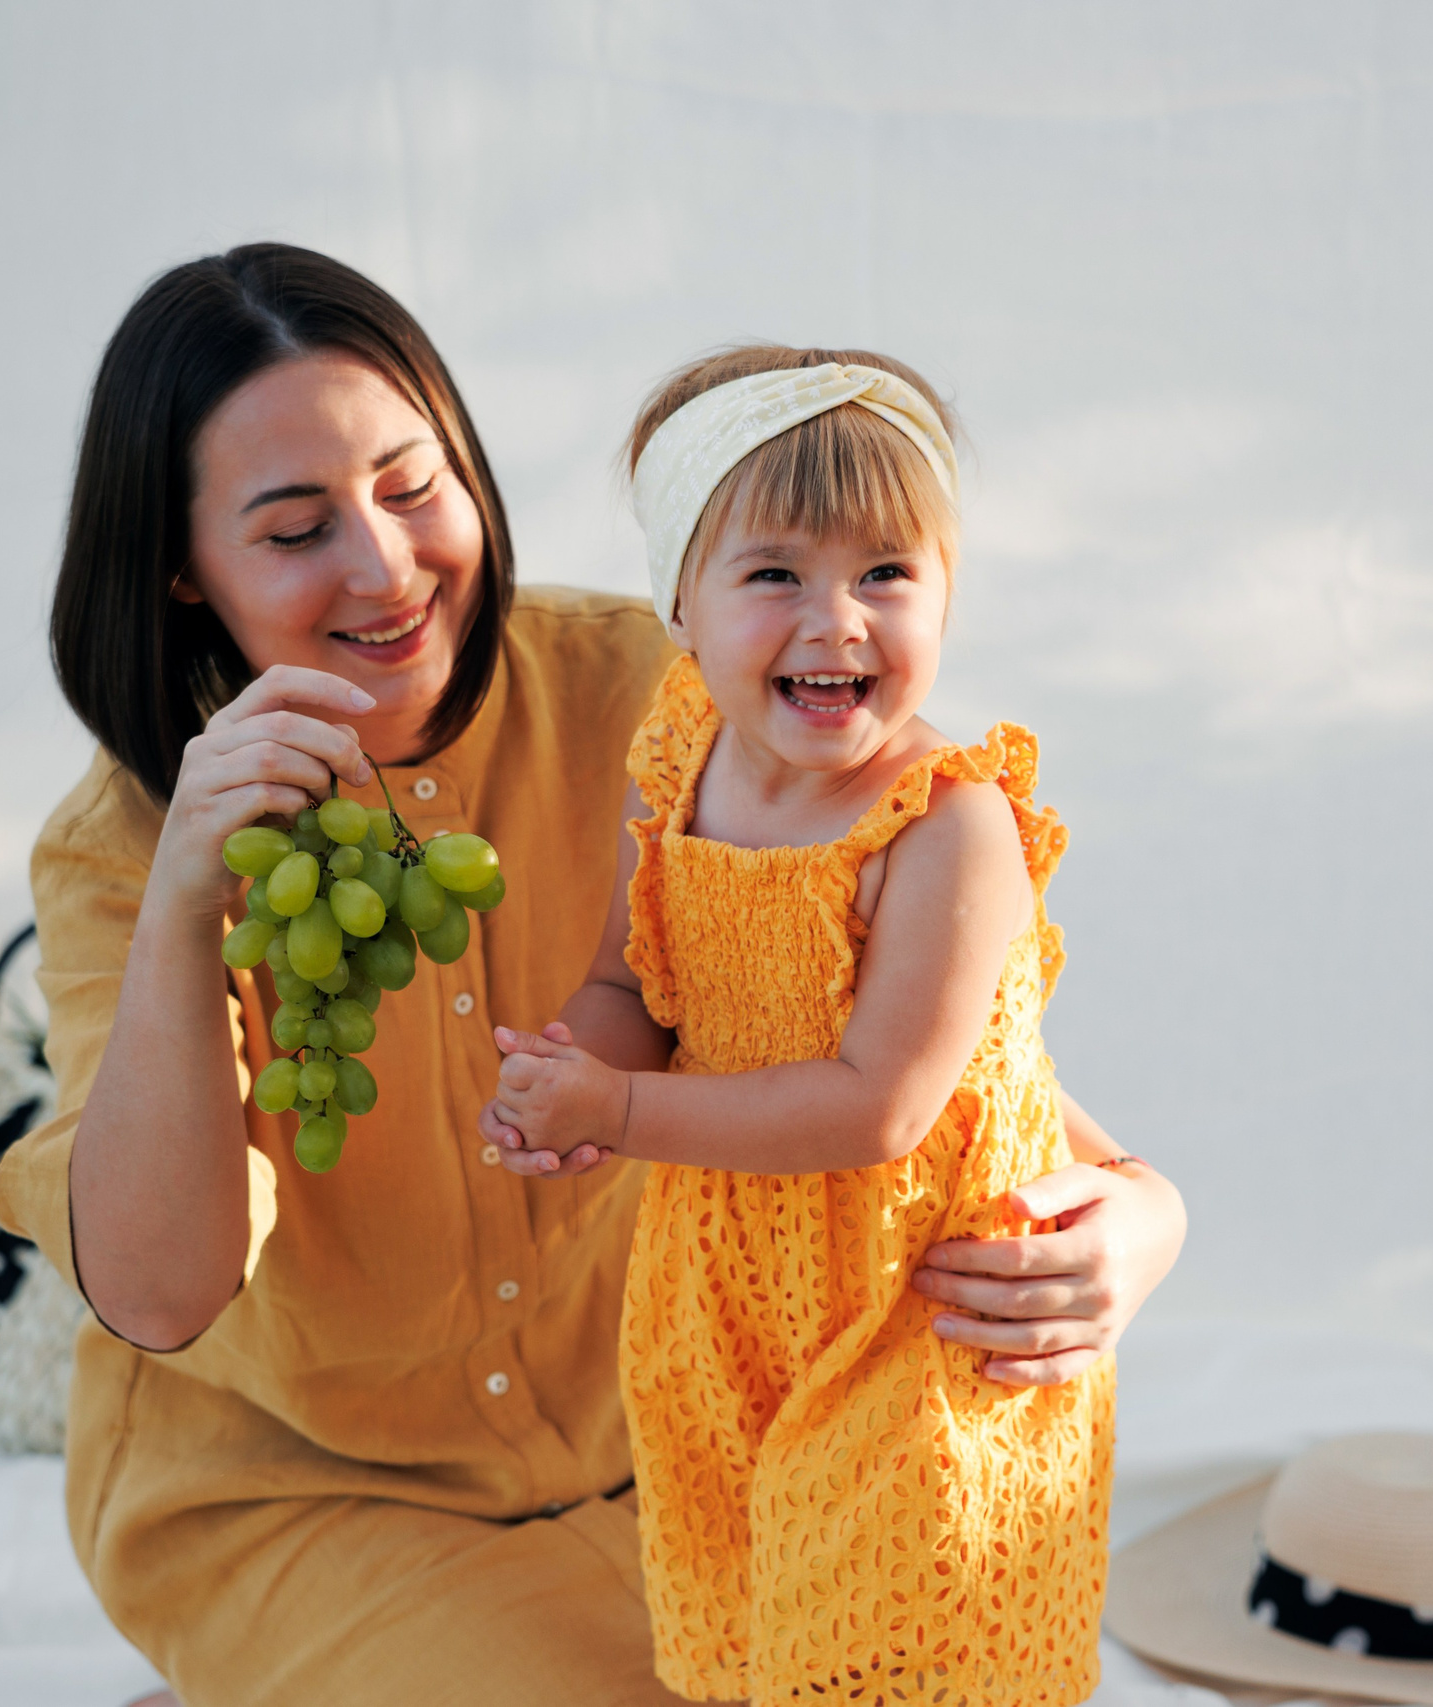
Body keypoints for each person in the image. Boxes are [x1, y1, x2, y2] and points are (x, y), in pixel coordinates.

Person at [0, 243, 1187, 1707]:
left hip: (685, 1442)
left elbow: (876, 1021)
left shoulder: (660, 691)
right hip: (313, 1498)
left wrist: (1139, 1202)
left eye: (414, 488)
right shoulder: (119, 852)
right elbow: (162, 1288)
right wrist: (189, 903)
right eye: (296, 530)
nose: (386, 568)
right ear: (181, 566)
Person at [484, 348, 1118, 1705]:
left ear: (947, 592)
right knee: (755, 1636)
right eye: (775, 574)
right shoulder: (678, 763)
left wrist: (626, 1115)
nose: (836, 621)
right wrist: (576, 1067)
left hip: (923, 1315)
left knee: (902, 1646)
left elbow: (877, 1105)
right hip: (723, 1304)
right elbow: (634, 984)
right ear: (683, 605)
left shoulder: (947, 825)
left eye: (887, 573)